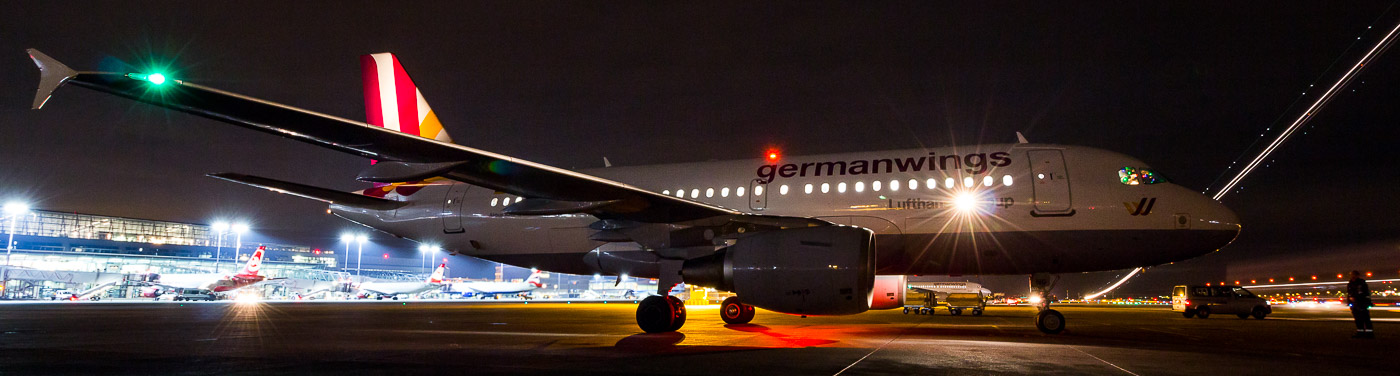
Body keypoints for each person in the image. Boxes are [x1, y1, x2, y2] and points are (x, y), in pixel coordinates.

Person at [1345, 270, 1374, 338]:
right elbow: (1349, 293)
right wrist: (1350, 301)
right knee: (1358, 318)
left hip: (1361, 303)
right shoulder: (1350, 283)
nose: (1352, 276)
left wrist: (1356, 298)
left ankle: (1369, 333)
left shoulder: (1361, 283)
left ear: (1357, 275)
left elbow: (1364, 293)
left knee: (1365, 318)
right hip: (1355, 303)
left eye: (1353, 275)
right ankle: (1360, 332)